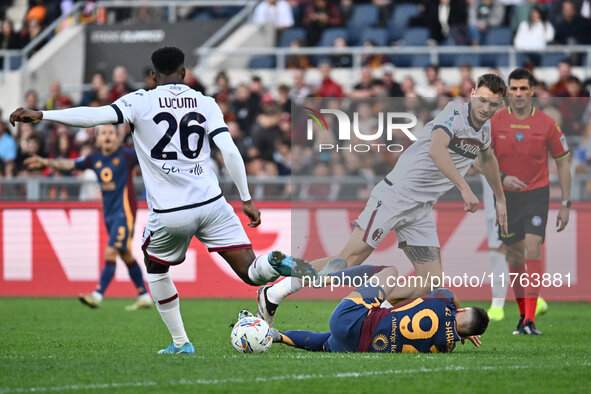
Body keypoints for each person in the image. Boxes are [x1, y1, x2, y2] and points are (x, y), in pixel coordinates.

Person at [10, 46, 317, 354]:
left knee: (155, 268)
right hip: (212, 203)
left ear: (153, 76)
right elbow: (230, 150)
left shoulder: (139, 101)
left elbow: (94, 117)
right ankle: (274, 262)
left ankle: (182, 343)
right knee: (252, 272)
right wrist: (246, 198)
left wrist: (43, 114)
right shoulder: (205, 102)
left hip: (171, 212)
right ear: (184, 73)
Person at [257, 73, 508, 327]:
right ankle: (273, 293)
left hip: (420, 210)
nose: (486, 108)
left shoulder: (484, 130)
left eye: (494, 104)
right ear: (473, 94)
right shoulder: (454, 113)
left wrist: (500, 200)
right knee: (348, 261)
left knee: (430, 283)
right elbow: (436, 149)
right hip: (395, 196)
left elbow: (488, 161)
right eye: (483, 100)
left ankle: (375, 315)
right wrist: (464, 187)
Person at [24, 124, 153, 310]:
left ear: (117, 137)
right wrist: (46, 162)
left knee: (111, 252)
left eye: (111, 133)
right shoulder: (95, 158)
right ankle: (144, 295)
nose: (108, 136)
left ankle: (97, 295)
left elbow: (150, 157)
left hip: (124, 213)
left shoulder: (126, 155)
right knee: (125, 254)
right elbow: (71, 164)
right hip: (109, 214)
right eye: (104, 133)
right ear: (98, 138)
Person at [490, 67, 571, 335]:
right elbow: (479, 161)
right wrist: (502, 179)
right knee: (514, 256)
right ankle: (523, 315)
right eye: (513, 88)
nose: (518, 93)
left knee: (533, 249)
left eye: (523, 88)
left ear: (532, 91)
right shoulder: (496, 121)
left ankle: (529, 320)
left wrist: (565, 204)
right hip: (505, 197)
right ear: (508, 91)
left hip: (537, 194)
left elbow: (563, 163)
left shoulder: (547, 124)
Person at [266, 265, 488, 353]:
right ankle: (277, 337)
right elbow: (453, 330)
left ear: (460, 311)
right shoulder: (446, 348)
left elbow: (446, 294)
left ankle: (320, 279)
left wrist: (456, 312)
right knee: (325, 342)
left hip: (350, 317)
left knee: (389, 271)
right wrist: (460, 333)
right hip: (357, 347)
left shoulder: (446, 302)